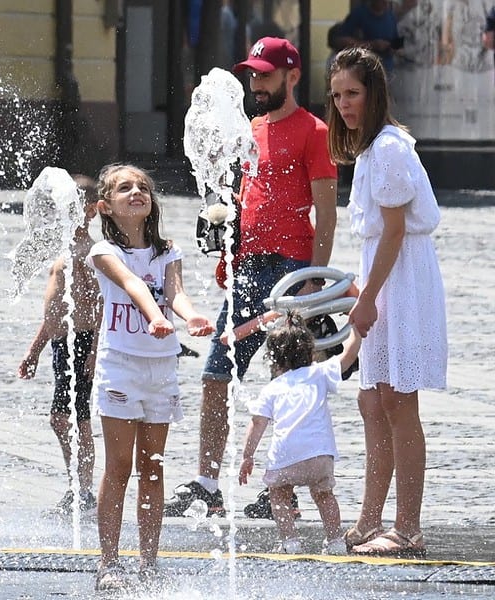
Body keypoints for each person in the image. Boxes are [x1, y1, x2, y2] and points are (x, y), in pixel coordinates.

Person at [165, 37, 338, 519]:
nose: (256, 83)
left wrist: (313, 279)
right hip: (248, 267)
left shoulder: (314, 131)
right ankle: (207, 484)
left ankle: (281, 485)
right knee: (217, 372)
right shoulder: (250, 128)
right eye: (252, 75)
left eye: (265, 74)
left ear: (292, 76)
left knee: (288, 382)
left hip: (291, 271)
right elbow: (243, 198)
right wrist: (228, 246)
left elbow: (326, 214)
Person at [327, 46, 447, 558]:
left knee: (399, 400)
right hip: (385, 275)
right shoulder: (371, 150)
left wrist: (368, 298)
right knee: (371, 398)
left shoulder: (392, 148)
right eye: (336, 96)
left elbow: (395, 234)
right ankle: (371, 519)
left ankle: (408, 529)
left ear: (373, 92)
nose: (344, 104)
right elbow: (378, 238)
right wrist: (361, 290)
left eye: (352, 93)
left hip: (404, 281)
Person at [86, 164, 215, 591]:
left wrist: (190, 315)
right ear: (107, 206)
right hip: (122, 364)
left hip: (161, 367)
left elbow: (174, 291)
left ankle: (149, 562)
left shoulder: (167, 251)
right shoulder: (103, 251)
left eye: (143, 187)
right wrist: (155, 316)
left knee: (153, 468)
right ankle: (109, 562)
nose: (137, 192)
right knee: (119, 466)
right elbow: (132, 284)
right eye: (125, 189)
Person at [238, 312, 361, 555]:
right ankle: (336, 542)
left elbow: (257, 423)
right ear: (310, 352)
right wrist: (357, 330)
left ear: (273, 359)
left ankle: (290, 542)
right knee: (325, 496)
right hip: (320, 455)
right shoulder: (320, 373)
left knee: (280, 496)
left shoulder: (272, 388)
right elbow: (347, 357)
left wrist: (247, 456)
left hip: (286, 456)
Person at [17, 175, 100, 515]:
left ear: (92, 210)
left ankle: (83, 488)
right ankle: (76, 484)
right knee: (62, 418)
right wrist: (35, 349)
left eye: (72, 206)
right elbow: (54, 311)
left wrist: (95, 352)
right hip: (61, 342)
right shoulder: (64, 249)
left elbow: (100, 306)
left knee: (75, 419)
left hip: (81, 343)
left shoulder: (89, 251)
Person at [334, 0, 402, 73]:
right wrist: (371, 45)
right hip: (364, 70)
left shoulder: (391, 17)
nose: (385, 2)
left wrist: (392, 47)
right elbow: (341, 40)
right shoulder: (359, 14)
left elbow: (398, 44)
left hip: (387, 70)